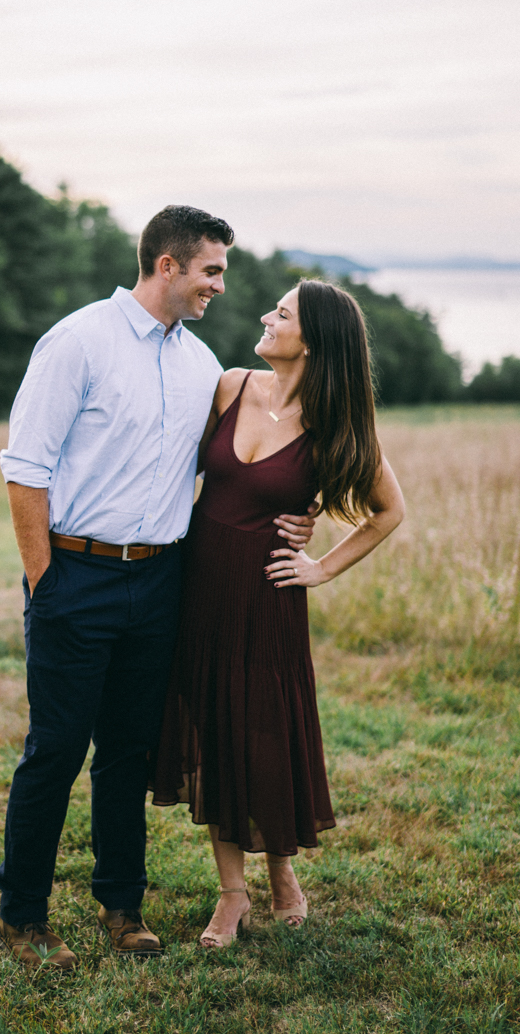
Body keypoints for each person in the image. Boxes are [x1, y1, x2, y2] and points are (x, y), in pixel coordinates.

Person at [0, 205, 316, 973]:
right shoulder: (79, 342)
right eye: (212, 270)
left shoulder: (202, 365)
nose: (221, 286)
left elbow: (248, 459)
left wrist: (298, 517)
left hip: (163, 581)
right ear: (167, 266)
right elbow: (24, 466)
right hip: (77, 575)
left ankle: (121, 905)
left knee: (130, 753)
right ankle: (24, 917)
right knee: (57, 748)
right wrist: (47, 580)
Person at [151, 277, 405, 949]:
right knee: (213, 724)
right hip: (201, 586)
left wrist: (319, 565)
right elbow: (182, 469)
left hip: (269, 599)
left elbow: (389, 512)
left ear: (313, 340)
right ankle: (231, 893)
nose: (266, 316)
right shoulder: (231, 385)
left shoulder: (335, 425)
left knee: (263, 729)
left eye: (282, 313)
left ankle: (282, 871)